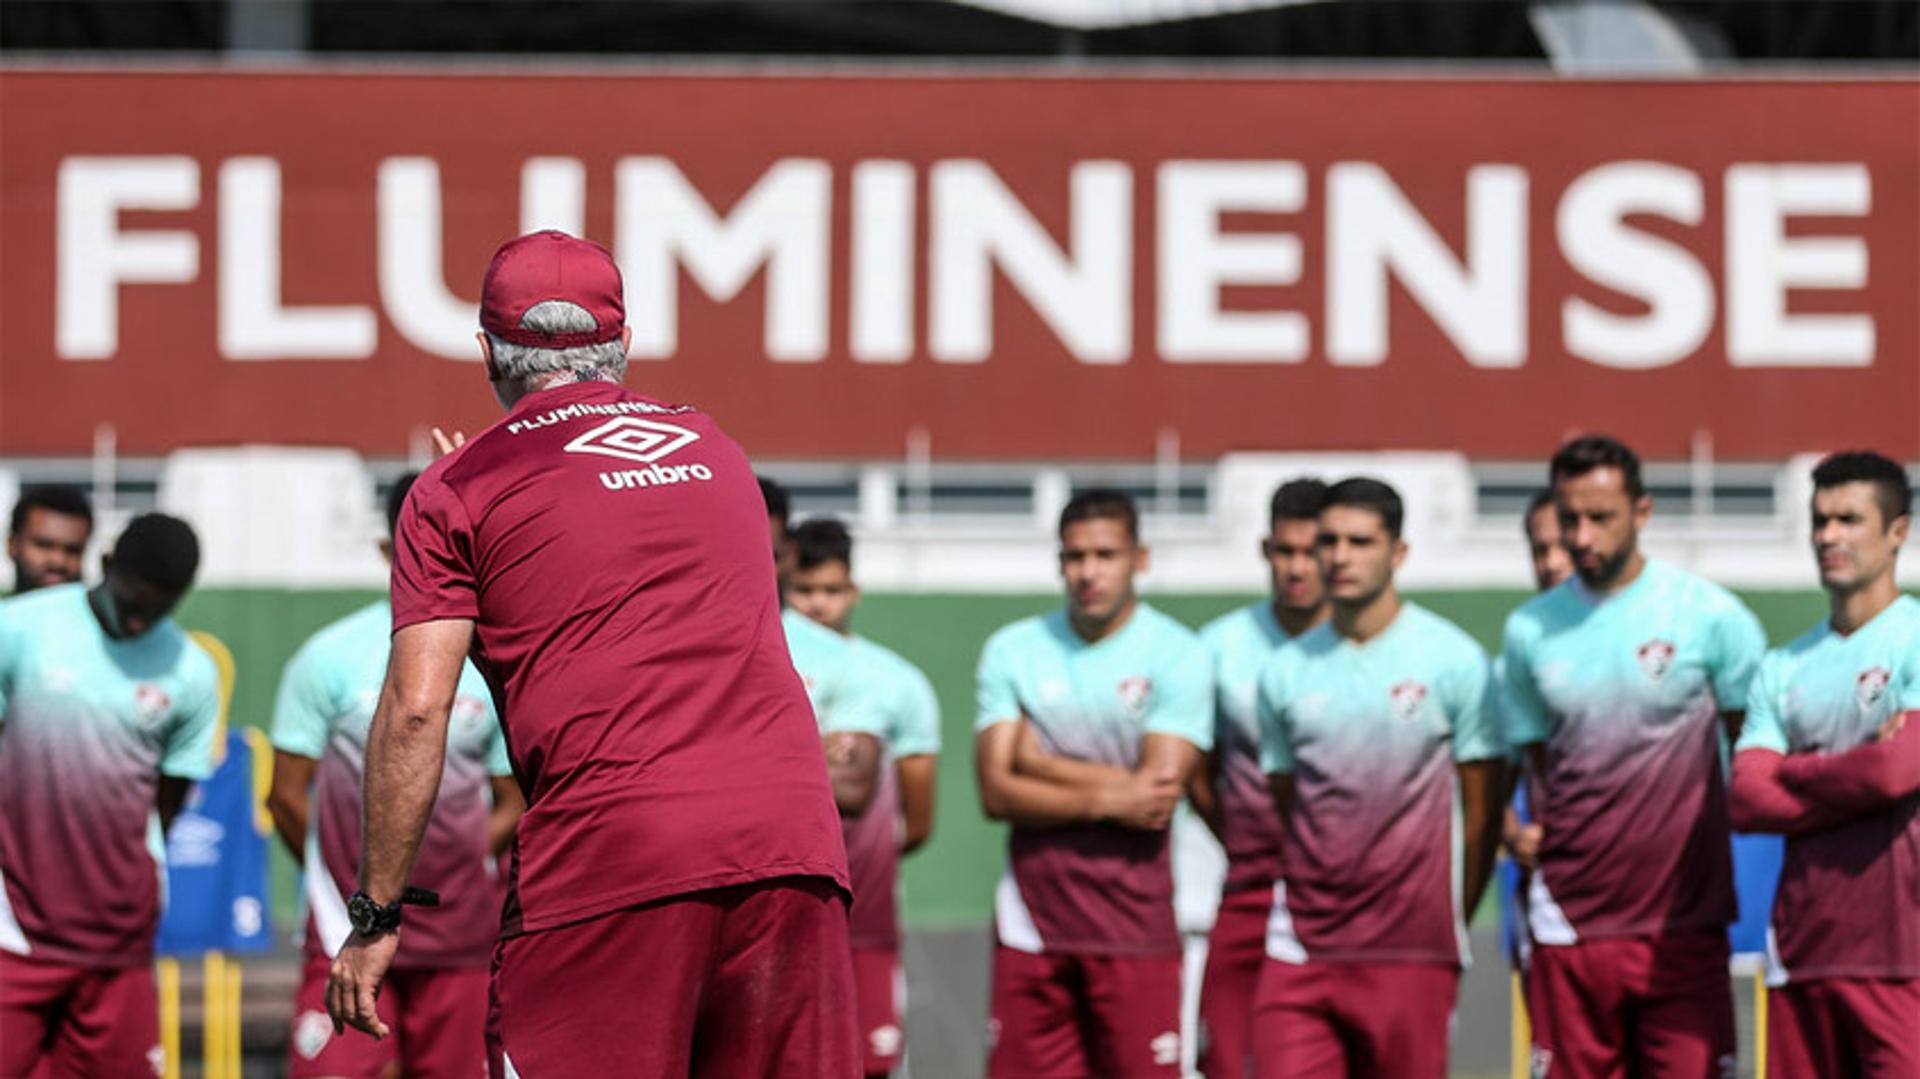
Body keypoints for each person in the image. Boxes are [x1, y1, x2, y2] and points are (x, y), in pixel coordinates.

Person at [325, 229, 858, 1077]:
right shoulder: (717, 449)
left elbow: (417, 707)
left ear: (486, 354)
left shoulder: (458, 490)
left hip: (612, 860)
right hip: (792, 845)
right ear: (625, 345)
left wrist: (377, 912)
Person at [1500, 435, 1765, 1078]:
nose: (1582, 537)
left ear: (1642, 513)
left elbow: (1756, 751)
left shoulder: (1710, 617)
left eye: (1601, 517)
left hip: (1685, 925)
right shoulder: (1529, 631)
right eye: (1569, 519)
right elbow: (1519, 766)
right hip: (1569, 926)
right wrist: (1511, 832)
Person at [268, 473, 526, 1078]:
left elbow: (511, 799)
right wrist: (358, 880)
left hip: (460, 941)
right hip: (347, 932)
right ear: (391, 550)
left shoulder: (493, 657)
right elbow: (284, 795)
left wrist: (461, 856)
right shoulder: (328, 656)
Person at [1251, 478, 1505, 1078]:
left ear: (1398, 553)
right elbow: (1292, 804)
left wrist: (1444, 920)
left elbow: (1482, 816)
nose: (1340, 557)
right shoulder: (1284, 672)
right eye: (1329, 541)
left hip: (1412, 951)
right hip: (1302, 947)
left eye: (1360, 542)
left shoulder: (1455, 661)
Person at [974, 488, 1212, 1077]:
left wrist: (1042, 764)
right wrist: (1112, 795)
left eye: (1106, 555)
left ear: (1140, 559)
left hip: (1138, 928)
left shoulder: (1179, 654)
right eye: (1075, 556)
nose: (1089, 572)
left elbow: (1155, 800)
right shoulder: (1012, 650)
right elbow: (997, 793)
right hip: (1031, 929)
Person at [0, 513, 218, 1076]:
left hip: (117, 943)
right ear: (104, 568)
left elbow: (165, 805)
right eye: (131, 601)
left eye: (161, 606)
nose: (142, 621)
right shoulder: (18, 629)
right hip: (13, 936)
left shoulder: (191, 673)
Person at [1728, 451, 1920, 1077]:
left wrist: (1798, 768)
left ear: (1898, 532)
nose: (1827, 536)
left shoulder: (1914, 637)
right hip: (1802, 957)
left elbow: (1900, 770)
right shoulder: (1784, 666)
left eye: (1848, 519)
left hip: (1905, 960)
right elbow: (1749, 799)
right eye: (1819, 520)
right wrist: (1868, 763)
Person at [786, 517, 943, 1079]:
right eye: (805, 591)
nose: (818, 605)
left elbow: (917, 819)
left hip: (867, 917)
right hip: (779, 917)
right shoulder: (762, 666)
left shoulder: (896, 682)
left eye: (831, 591)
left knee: (873, 1064)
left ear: (852, 590)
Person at [1189, 477, 1330, 1078]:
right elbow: (1199, 774)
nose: (1297, 567)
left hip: (1339, 902)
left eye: (1310, 551)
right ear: (1265, 551)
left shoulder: (1360, 646)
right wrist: (1240, 839)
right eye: (1284, 551)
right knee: (1225, 1059)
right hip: (1247, 892)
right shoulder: (1218, 647)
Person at [8, 484, 93, 595]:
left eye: (73, 550)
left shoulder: (105, 612)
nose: (58, 561)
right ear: (12, 545)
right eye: (44, 545)